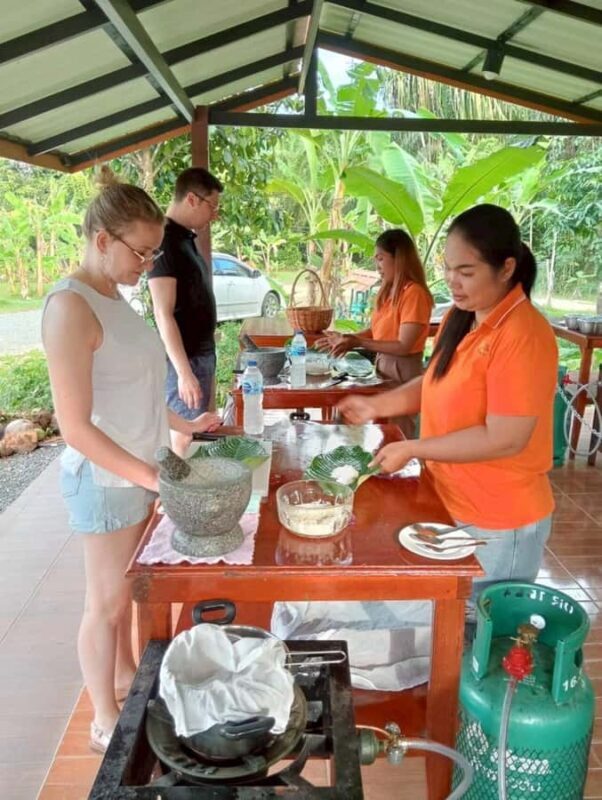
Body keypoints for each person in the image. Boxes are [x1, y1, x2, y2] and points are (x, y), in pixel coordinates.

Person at [42, 168, 221, 754]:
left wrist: (186, 425)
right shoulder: (70, 307)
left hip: (140, 473)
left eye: (151, 254)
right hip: (105, 479)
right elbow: (75, 427)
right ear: (102, 241)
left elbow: (142, 389)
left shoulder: (114, 300)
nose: (146, 264)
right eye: (140, 253)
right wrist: (150, 475)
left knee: (125, 595)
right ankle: (102, 717)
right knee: (107, 603)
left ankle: (123, 683)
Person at [339, 204, 558, 600]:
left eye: (466, 272)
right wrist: (376, 407)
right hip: (450, 501)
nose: (452, 282)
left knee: (474, 634)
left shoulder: (523, 334)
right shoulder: (464, 319)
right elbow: (433, 382)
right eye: (448, 269)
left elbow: (505, 438)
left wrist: (414, 447)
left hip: (498, 520)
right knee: (444, 626)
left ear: (506, 268)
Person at [317, 229, 433, 438]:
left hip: (403, 369)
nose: (377, 266)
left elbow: (403, 345)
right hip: (384, 365)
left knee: (399, 431)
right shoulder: (388, 293)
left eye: (381, 259)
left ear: (399, 258)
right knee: (383, 430)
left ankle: (403, 468)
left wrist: (357, 342)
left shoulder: (414, 293)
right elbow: (377, 331)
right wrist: (346, 338)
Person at [148, 167, 223, 455]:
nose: (214, 214)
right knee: (182, 436)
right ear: (192, 199)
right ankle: (172, 498)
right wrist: (183, 373)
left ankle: (181, 494)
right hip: (185, 360)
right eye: (212, 206)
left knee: (194, 433)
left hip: (199, 355)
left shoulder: (184, 239)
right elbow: (162, 312)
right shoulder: (165, 240)